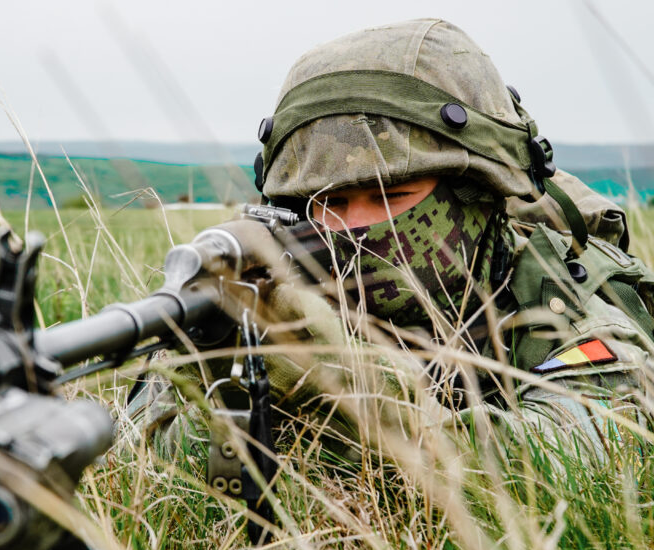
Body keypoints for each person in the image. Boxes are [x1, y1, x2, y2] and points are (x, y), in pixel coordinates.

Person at [127, 18, 654, 481]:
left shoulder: (568, 309)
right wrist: (226, 381)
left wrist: (335, 392)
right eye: (329, 201)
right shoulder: (280, 291)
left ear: (476, 192)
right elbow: (148, 453)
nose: (354, 228)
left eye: (390, 196)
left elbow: (556, 468)